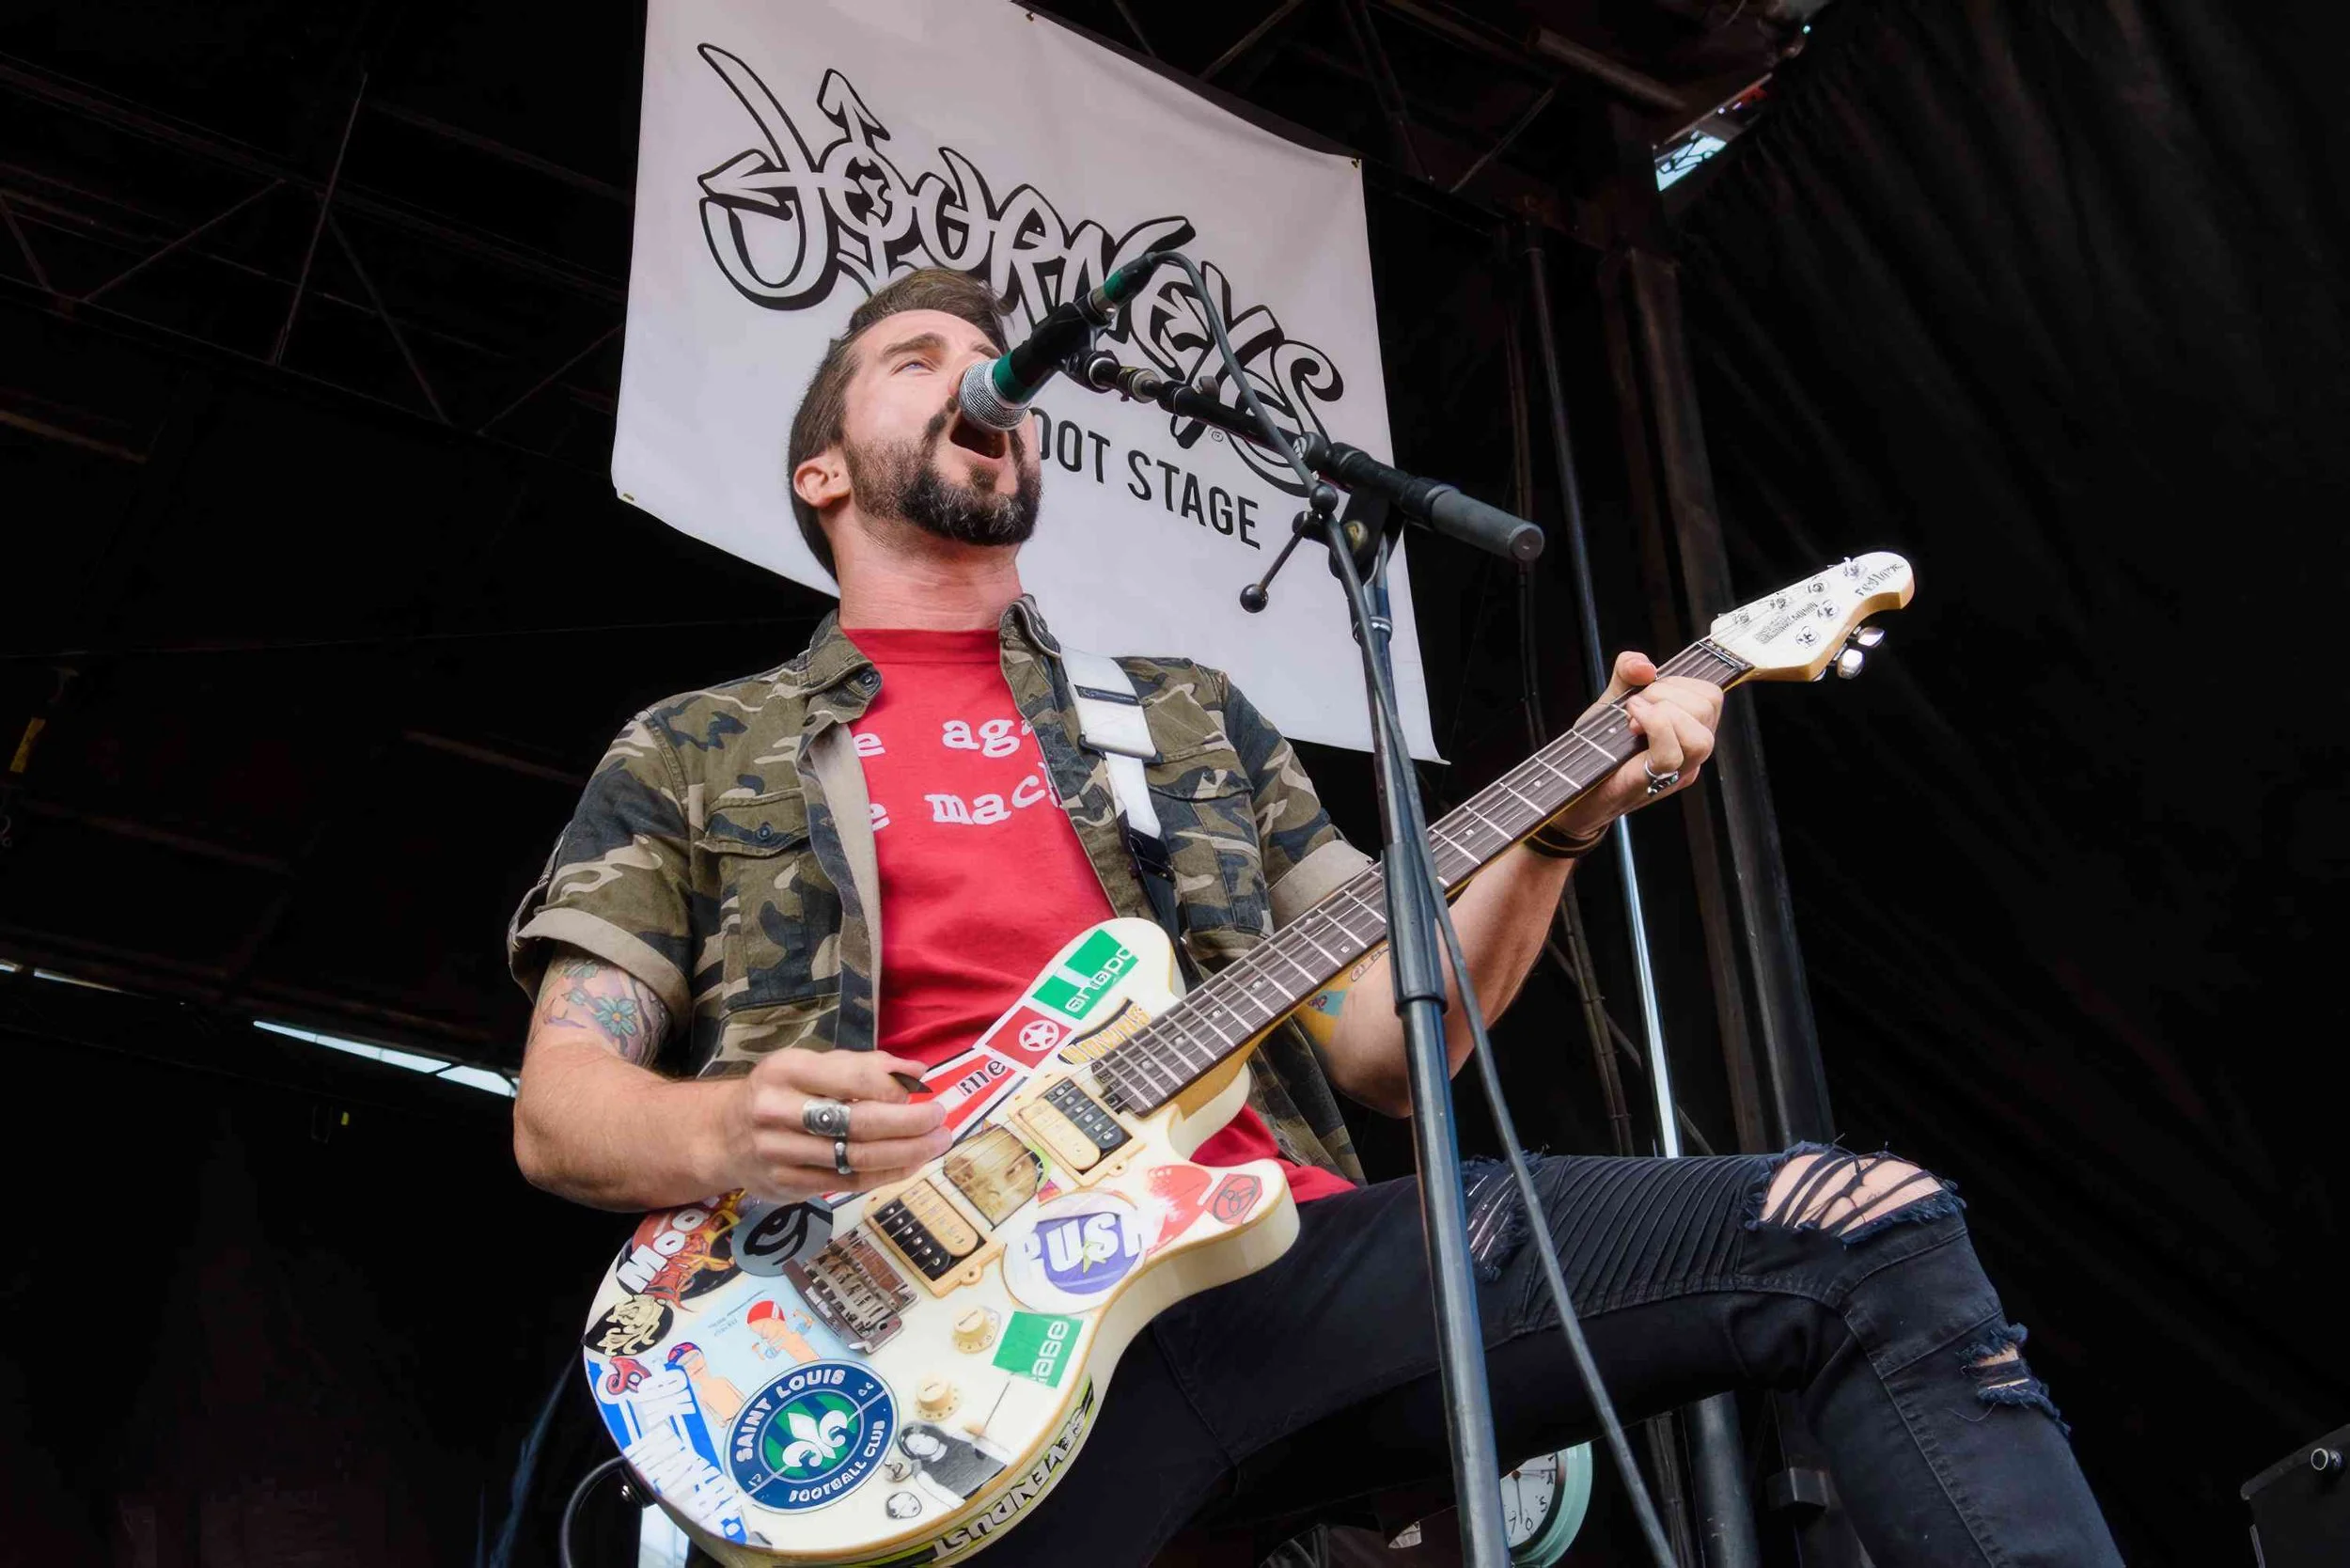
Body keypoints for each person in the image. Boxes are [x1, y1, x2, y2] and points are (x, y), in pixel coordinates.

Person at [509, 268, 2121, 1566]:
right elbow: (560, 1111)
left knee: (1869, 1229)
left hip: (1262, 1266)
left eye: (987, 362)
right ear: (822, 470)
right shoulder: (695, 748)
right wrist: (726, 1127)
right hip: (916, 1358)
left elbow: (1390, 1042)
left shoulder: (1183, 723)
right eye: (914, 360)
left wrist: (1559, 825)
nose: (978, 381)